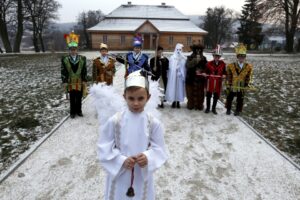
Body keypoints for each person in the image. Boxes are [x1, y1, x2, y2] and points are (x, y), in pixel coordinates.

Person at [97, 70, 168, 200]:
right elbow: (104, 147)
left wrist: (148, 157)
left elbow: (160, 149)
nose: (136, 103)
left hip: (142, 173)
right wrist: (121, 160)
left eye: (141, 98)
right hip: (120, 173)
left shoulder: (153, 123)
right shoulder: (115, 121)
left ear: (148, 97)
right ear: (124, 97)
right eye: (131, 98)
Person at [61, 31, 87, 118]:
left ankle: (79, 111)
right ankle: (72, 112)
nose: (73, 51)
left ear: (77, 50)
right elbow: (63, 70)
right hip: (70, 81)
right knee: (72, 97)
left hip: (79, 81)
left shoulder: (82, 58)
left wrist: (84, 79)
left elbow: (84, 70)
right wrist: (64, 80)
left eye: (75, 49)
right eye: (71, 49)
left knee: (79, 97)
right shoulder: (65, 59)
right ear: (69, 50)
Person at [225, 43, 253, 116]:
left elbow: (248, 76)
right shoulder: (231, 66)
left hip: (241, 85)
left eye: (243, 57)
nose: (241, 58)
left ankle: (237, 110)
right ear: (237, 57)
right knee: (230, 97)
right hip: (233, 85)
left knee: (240, 99)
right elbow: (229, 75)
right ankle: (228, 109)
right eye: (240, 57)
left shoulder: (248, 67)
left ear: (245, 58)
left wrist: (246, 84)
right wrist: (229, 84)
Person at [204, 45, 226, 114]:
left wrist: (224, 75)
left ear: (220, 57)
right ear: (213, 56)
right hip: (210, 82)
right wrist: (205, 74)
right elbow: (206, 71)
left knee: (216, 96)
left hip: (218, 82)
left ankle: (213, 109)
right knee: (208, 95)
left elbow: (225, 72)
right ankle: (207, 108)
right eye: (215, 56)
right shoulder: (209, 63)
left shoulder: (223, 64)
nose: (217, 57)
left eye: (218, 56)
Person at [185, 43, 207, 110]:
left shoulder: (204, 58)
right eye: (196, 50)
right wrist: (195, 60)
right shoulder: (190, 57)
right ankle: (191, 104)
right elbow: (187, 65)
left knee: (200, 93)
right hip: (191, 78)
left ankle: (199, 105)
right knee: (190, 93)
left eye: (199, 50)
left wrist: (201, 71)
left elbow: (207, 68)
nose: (198, 51)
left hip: (200, 80)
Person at [165, 43, 186, 108]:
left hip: (180, 76)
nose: (178, 51)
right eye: (177, 49)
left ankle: (178, 101)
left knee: (179, 89)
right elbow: (170, 67)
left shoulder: (183, 58)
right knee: (173, 88)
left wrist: (181, 71)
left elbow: (184, 67)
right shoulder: (172, 57)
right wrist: (175, 69)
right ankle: (173, 101)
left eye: (180, 49)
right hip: (173, 76)